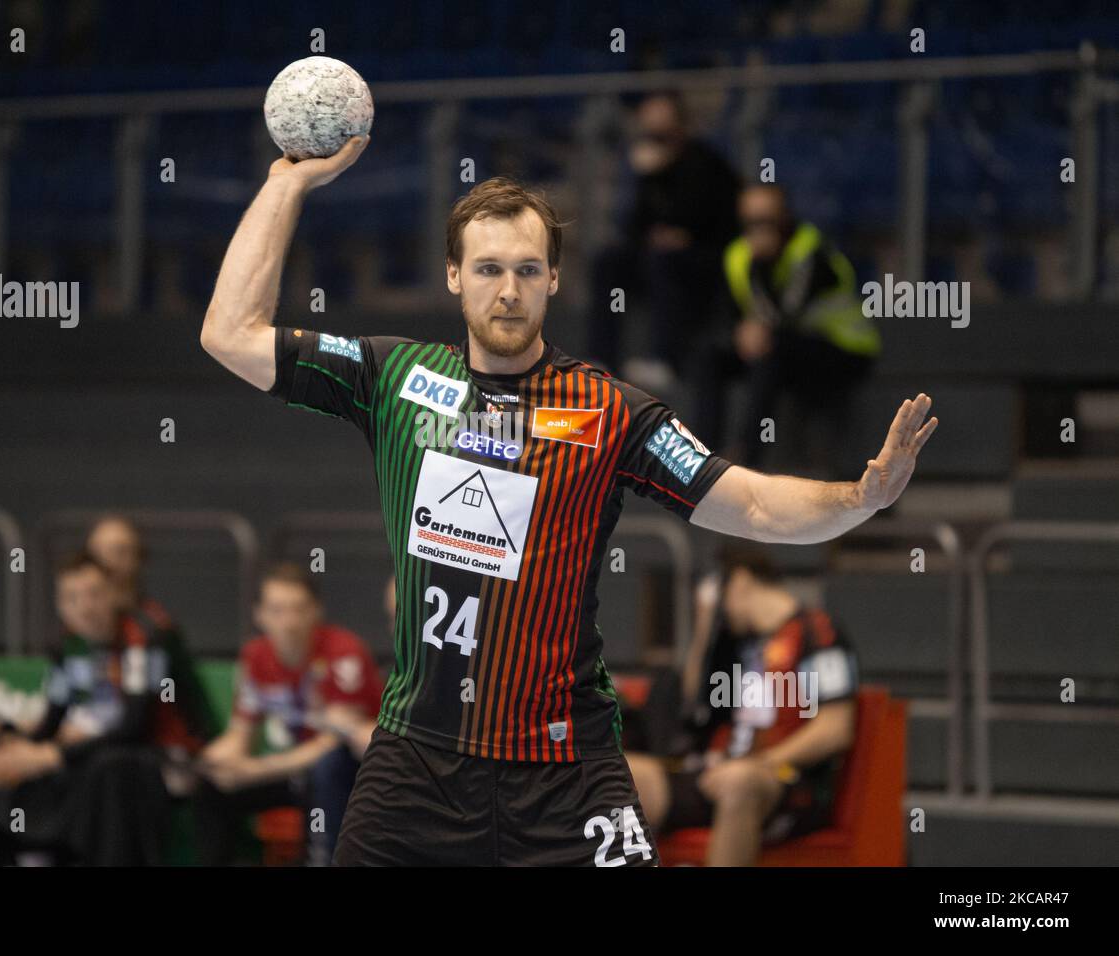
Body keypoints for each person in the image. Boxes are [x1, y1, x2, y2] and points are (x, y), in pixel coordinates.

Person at [199, 135, 936, 866]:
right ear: (453, 276)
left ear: (554, 279)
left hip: (565, 772)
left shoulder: (608, 412)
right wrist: (287, 185)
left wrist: (859, 497)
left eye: (527, 269)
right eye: (487, 269)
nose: (508, 290)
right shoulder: (395, 377)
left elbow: (751, 504)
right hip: (415, 763)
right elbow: (230, 335)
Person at [626, 549, 859, 865]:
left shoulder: (816, 631)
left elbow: (835, 728)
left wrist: (762, 762)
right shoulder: (730, 643)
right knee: (622, 773)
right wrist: (704, 630)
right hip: (716, 772)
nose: (720, 609)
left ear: (739, 581)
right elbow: (692, 704)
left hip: (784, 781)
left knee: (739, 782)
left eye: (718, 597)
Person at [0, 551, 175, 865]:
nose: (84, 607)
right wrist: (20, 747)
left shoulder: (144, 639)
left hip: (146, 758)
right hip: (86, 752)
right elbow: (54, 714)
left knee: (105, 768)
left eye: (94, 594)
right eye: (71, 598)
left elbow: (135, 726)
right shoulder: (67, 645)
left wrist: (51, 756)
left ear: (114, 595)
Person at [194, 562, 381, 866]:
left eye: (298, 609)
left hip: (346, 770)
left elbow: (335, 741)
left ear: (316, 611)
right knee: (213, 787)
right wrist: (207, 763)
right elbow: (240, 734)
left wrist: (257, 769)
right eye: (278, 610)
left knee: (327, 769)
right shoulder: (254, 657)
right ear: (260, 614)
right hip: (288, 768)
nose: (289, 621)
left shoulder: (344, 653)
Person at [698, 183, 881, 472]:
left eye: (766, 221)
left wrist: (760, 267)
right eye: (750, 221)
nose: (758, 229)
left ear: (784, 217)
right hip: (782, 345)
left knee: (770, 354)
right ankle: (701, 459)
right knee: (711, 355)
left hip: (842, 349)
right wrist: (739, 333)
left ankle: (747, 459)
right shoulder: (736, 255)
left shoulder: (809, 249)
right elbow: (728, 313)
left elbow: (788, 311)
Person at [587, 91, 740, 387]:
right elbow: (635, 227)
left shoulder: (705, 162)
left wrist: (681, 236)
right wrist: (650, 179)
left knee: (662, 259)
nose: (656, 137)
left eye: (663, 129)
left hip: (704, 261)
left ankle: (665, 360)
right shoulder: (649, 170)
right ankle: (601, 358)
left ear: (680, 126)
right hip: (657, 258)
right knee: (609, 260)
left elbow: (713, 223)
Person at [85, 514, 219, 752]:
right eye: (98, 553)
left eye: (120, 551)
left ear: (139, 560)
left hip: (169, 750)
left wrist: (59, 753)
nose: (108, 563)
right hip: (115, 746)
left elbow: (136, 723)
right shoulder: (81, 633)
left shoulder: (151, 631)